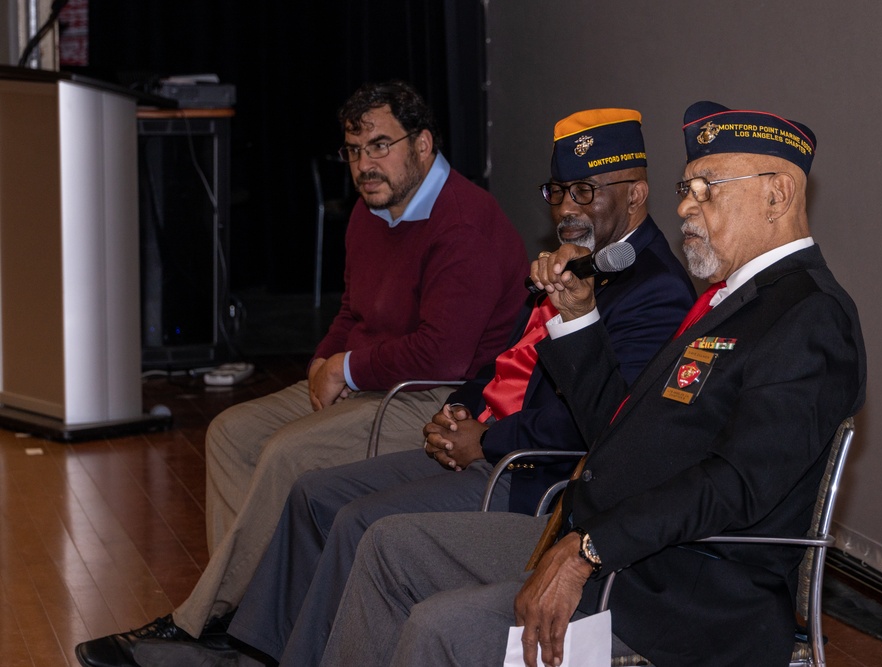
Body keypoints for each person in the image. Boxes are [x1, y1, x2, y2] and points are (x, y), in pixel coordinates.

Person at [318, 100, 868, 667]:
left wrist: (588, 551)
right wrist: (578, 318)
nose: (683, 205)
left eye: (707, 187)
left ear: (776, 195)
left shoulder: (809, 317)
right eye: (686, 185)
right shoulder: (729, 300)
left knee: (441, 629)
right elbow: (616, 430)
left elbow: (738, 484)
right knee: (389, 547)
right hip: (608, 538)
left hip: (677, 591)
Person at [215, 109, 696, 666]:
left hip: (527, 472)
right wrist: (458, 406)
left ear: (635, 195)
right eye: (559, 190)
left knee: (359, 523)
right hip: (487, 441)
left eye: (586, 191)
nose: (568, 207)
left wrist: (484, 440)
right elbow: (506, 359)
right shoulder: (577, 260)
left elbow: (602, 425)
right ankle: (254, 651)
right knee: (315, 493)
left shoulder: (655, 290)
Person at [74, 80, 529, 667]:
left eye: (380, 146)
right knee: (231, 434)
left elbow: (441, 355)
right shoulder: (374, 210)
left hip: (433, 399)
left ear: (422, 145)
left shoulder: (463, 223)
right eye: (353, 150)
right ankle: (243, 621)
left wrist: (346, 366)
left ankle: (201, 626)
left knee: (290, 453)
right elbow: (351, 312)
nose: (365, 166)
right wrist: (323, 360)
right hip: (368, 379)